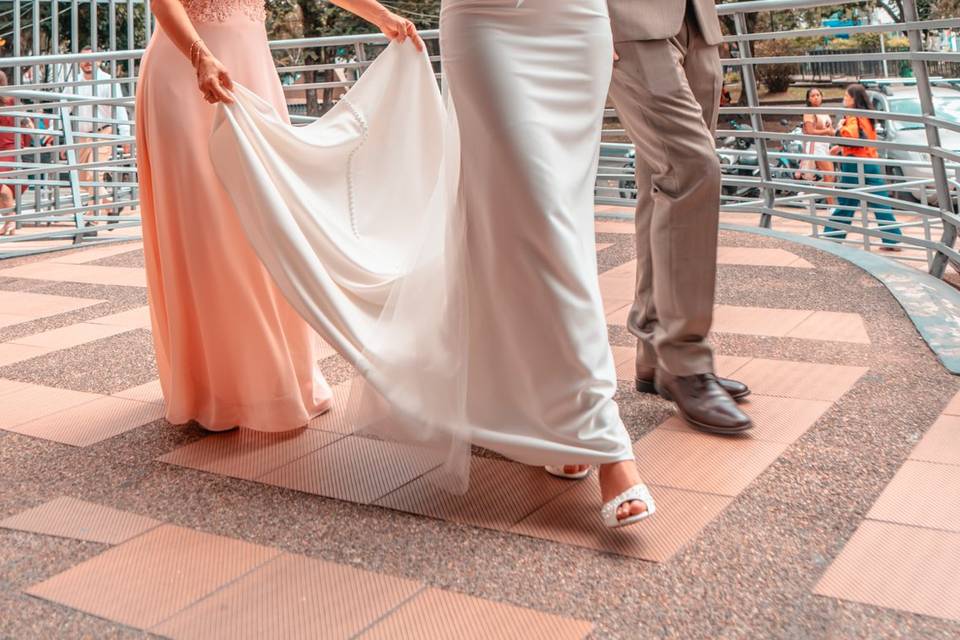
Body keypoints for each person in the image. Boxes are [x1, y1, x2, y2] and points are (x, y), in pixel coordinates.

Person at [209, 0, 654, 527]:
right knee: (540, 213)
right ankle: (608, 443)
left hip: (573, 21)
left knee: (555, 222)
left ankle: (559, 417)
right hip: (487, 22)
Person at [135, 0, 418, 432]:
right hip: (186, 69)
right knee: (205, 226)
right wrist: (201, 58)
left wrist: (380, 15)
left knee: (265, 221)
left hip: (251, 70)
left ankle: (278, 378)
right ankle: (216, 387)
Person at [605, 0, 753, 434]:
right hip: (626, 18)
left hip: (697, 18)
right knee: (692, 168)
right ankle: (685, 359)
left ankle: (654, 352)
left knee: (665, 179)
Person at [823, 83, 902, 251]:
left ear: (854, 99)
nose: (844, 99)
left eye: (846, 96)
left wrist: (836, 132)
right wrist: (842, 147)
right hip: (870, 161)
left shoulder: (853, 115)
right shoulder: (868, 114)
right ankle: (892, 238)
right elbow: (862, 140)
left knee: (846, 202)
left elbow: (850, 135)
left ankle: (831, 238)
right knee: (880, 201)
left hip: (855, 163)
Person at [69, 47, 132, 221]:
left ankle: (92, 219)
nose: (88, 62)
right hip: (81, 135)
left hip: (104, 132)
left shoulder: (107, 81)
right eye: (84, 59)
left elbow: (119, 109)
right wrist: (55, 131)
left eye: (92, 58)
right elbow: (64, 108)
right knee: (84, 178)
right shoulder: (75, 83)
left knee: (93, 174)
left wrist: (125, 135)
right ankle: (109, 206)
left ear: (99, 60)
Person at [1, 70, 33, 236]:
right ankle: (9, 220)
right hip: (6, 148)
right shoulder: (13, 101)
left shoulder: (11, 101)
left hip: (11, 148)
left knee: (1, 185)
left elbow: (27, 122)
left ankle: (11, 219)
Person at [797, 88, 835, 204]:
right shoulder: (809, 112)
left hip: (824, 146)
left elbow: (829, 128)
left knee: (830, 177)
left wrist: (835, 133)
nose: (816, 97)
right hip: (815, 147)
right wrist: (827, 132)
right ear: (808, 99)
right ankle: (832, 206)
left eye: (818, 95)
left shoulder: (823, 111)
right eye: (812, 96)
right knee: (830, 175)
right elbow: (809, 131)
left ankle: (807, 193)